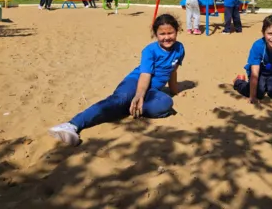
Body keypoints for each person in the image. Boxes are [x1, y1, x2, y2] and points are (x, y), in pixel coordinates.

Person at [48, 14, 187, 146]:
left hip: (152, 90)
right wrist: (139, 95)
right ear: (156, 34)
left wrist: (175, 90)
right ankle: (72, 124)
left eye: (170, 33)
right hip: (135, 82)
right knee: (120, 99)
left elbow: (173, 71)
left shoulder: (179, 48)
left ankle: (127, 107)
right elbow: (145, 75)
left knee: (166, 103)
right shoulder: (149, 51)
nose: (167, 37)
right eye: (162, 34)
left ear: (177, 31)